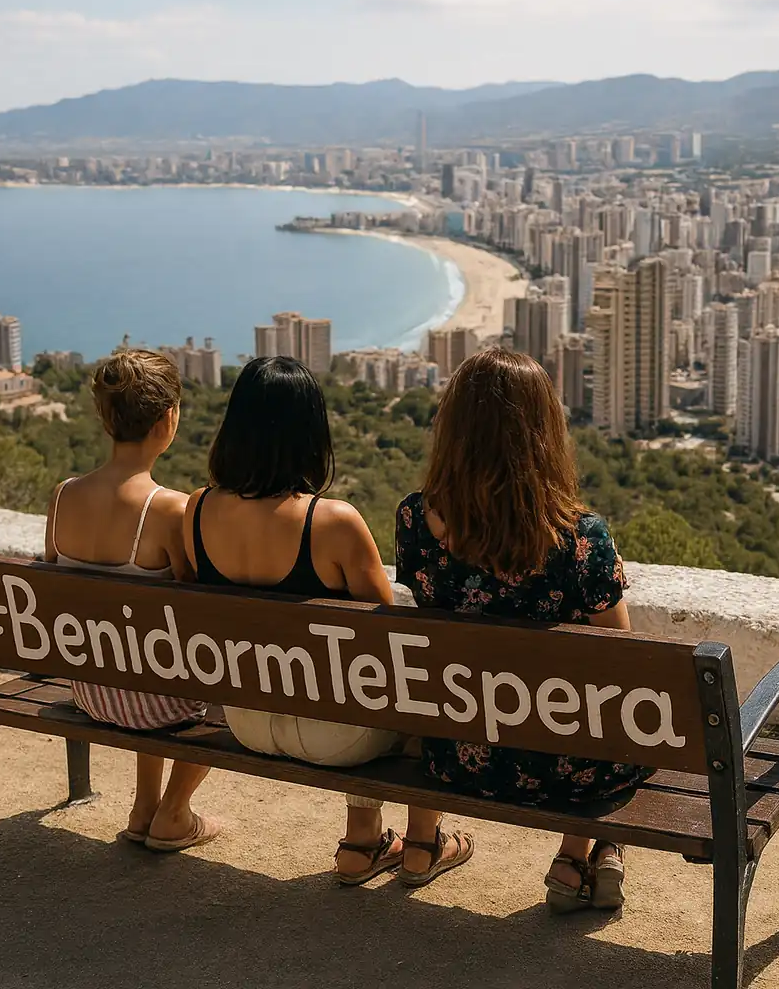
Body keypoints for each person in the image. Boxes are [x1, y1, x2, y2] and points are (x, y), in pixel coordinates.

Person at [184, 356, 472, 888]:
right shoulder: (332, 522)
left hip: (248, 721)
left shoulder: (195, 511)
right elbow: (393, 643)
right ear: (311, 432)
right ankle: (420, 842)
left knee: (351, 679)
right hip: (335, 737)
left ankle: (365, 842)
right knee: (409, 654)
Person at [395, 347, 647, 914]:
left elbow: (433, 626)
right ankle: (579, 853)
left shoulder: (415, 520)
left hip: (456, 753)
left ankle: (421, 840)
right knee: (604, 711)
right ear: (545, 431)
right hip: (567, 772)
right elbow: (623, 665)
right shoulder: (582, 539)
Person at [44, 349, 221, 853]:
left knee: (142, 652)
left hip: (93, 689)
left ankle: (144, 805)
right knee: (207, 682)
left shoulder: (64, 496)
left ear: (104, 418)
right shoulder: (169, 509)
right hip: (154, 699)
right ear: (170, 419)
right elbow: (196, 609)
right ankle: (173, 811)